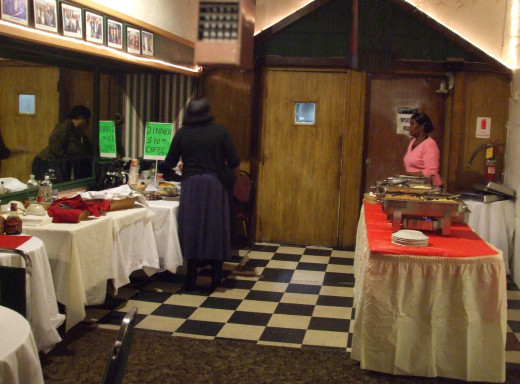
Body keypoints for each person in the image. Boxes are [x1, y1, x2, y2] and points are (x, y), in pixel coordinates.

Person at [160, 97, 240, 292]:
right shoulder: (220, 132)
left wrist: (177, 176)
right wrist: (226, 178)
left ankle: (191, 277)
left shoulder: (182, 134)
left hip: (191, 185)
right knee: (215, 228)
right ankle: (215, 278)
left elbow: (168, 163)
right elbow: (235, 161)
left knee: (191, 228)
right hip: (214, 185)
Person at [32, 105, 93, 181]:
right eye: (86, 120)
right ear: (80, 118)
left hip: (57, 164)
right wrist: (69, 159)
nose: (87, 124)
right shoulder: (65, 128)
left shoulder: (78, 132)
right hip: (48, 163)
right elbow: (55, 148)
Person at [403, 112, 443, 187]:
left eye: (412, 124)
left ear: (422, 126)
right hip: (415, 185)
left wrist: (408, 175)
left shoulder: (429, 145)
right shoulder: (413, 142)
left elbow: (431, 172)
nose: (410, 127)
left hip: (430, 187)